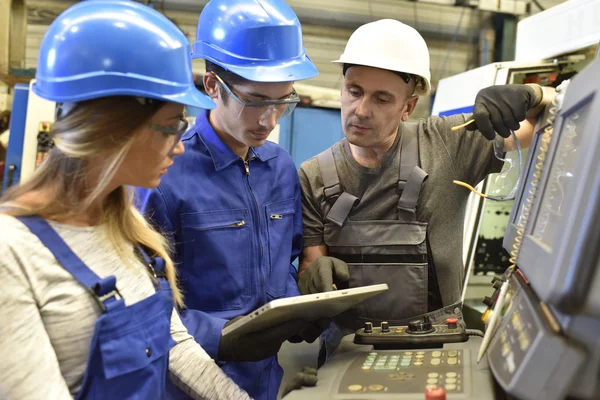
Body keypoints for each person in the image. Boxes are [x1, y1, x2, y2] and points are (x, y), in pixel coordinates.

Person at [0, 1, 251, 399]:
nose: (180, 147)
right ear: (113, 128)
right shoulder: (12, 253)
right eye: (172, 127)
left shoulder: (126, 228)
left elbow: (177, 347)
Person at [296, 19, 556, 363]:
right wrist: (311, 286)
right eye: (354, 91)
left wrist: (533, 95)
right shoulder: (313, 176)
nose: (361, 110)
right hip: (349, 352)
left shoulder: (448, 144)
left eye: (382, 98)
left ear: (408, 107)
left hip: (440, 346)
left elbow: (552, 119)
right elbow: (311, 271)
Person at [136, 1, 327, 399]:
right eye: (256, 101)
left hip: (267, 381)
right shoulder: (164, 175)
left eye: (283, 102)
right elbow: (142, 307)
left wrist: (302, 309)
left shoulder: (280, 167)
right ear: (211, 86)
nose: (269, 119)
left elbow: (280, 267)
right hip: (190, 383)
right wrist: (219, 338)